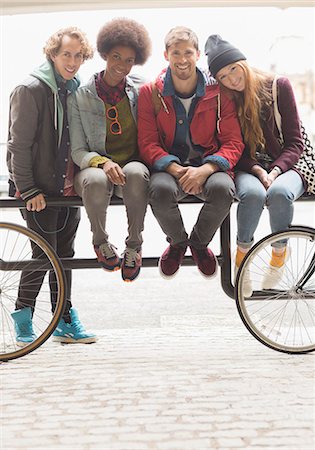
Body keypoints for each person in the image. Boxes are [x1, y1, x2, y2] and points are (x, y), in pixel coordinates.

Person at [7, 27, 97, 345]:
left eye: (77, 55)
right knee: (42, 256)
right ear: (53, 54)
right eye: (65, 54)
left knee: (66, 255)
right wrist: (28, 189)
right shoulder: (30, 89)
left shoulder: (77, 89)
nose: (71, 61)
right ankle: (23, 316)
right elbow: (17, 146)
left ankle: (64, 317)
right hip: (38, 190)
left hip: (68, 187)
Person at [137, 26, 244, 279]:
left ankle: (197, 244)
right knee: (159, 190)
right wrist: (177, 169)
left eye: (188, 52)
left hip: (209, 166)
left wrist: (206, 169)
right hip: (169, 167)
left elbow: (233, 142)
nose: (182, 59)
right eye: (176, 52)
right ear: (166, 55)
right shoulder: (150, 93)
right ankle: (177, 244)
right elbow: (147, 143)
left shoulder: (219, 92)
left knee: (223, 189)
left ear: (197, 54)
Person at [205, 34, 305, 295]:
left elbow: (295, 143)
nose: (231, 79)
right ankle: (242, 259)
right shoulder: (227, 99)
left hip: (290, 164)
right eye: (223, 76)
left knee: (280, 193)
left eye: (233, 70)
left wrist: (275, 170)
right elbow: (234, 147)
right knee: (253, 194)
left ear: (243, 63)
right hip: (248, 166)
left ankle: (279, 255)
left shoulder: (278, 86)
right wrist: (259, 170)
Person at [68, 18, 151, 283]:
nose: (122, 65)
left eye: (128, 60)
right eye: (116, 57)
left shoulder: (139, 89)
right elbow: (78, 151)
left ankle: (134, 246)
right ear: (104, 54)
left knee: (138, 172)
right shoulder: (80, 96)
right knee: (95, 178)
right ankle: (100, 242)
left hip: (130, 167)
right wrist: (103, 163)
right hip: (95, 168)